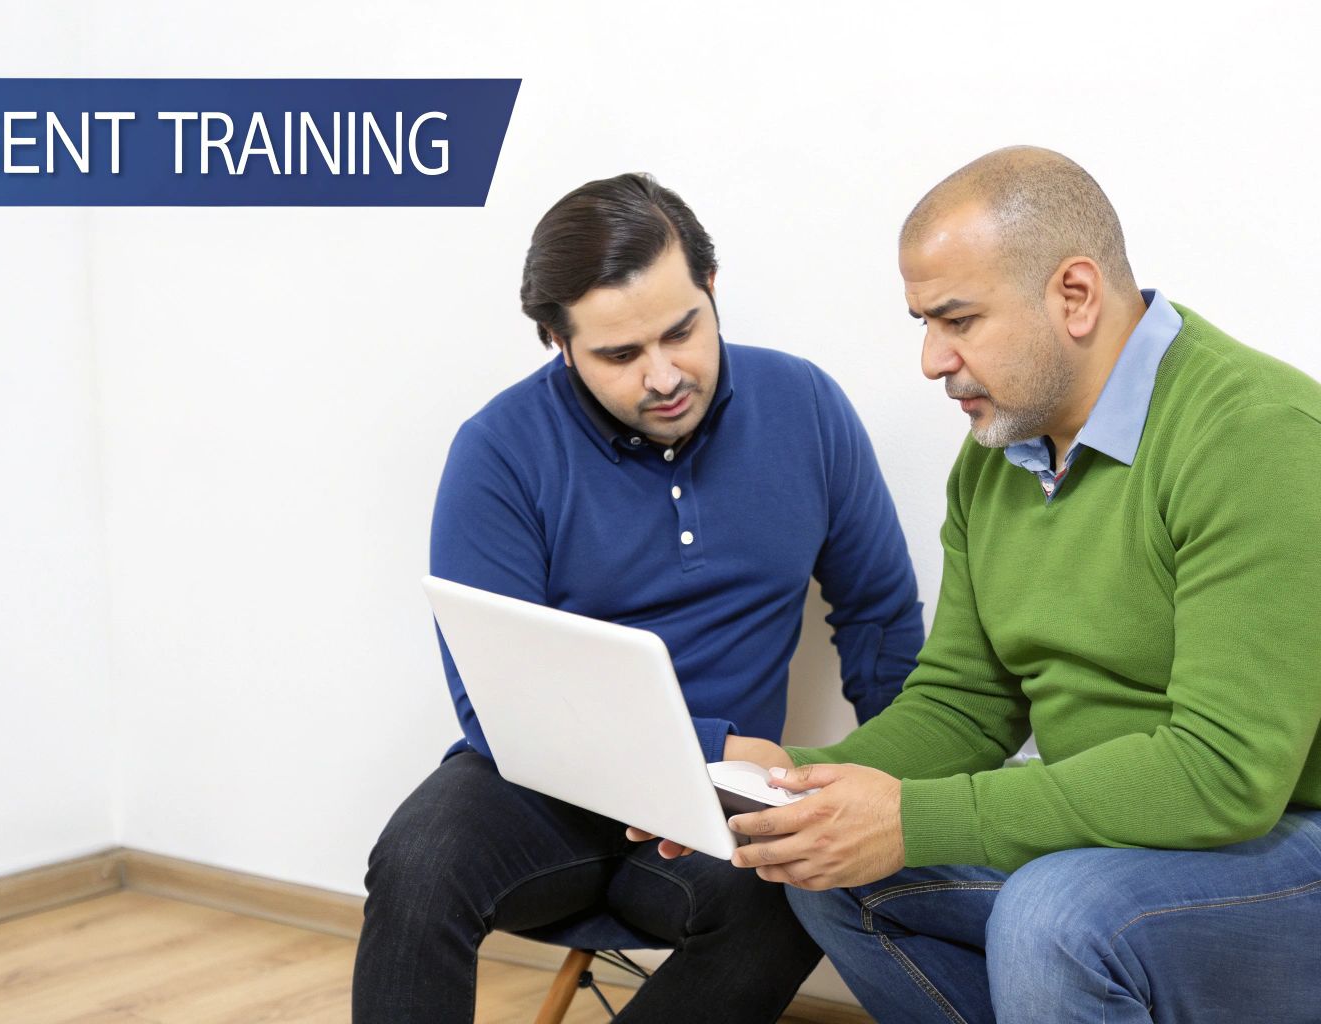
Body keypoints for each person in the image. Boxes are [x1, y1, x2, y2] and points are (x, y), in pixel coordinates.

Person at [704, 147, 1321, 1024]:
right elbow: (964, 706)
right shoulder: (998, 461)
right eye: (924, 324)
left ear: (1076, 295)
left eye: (959, 319)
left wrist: (914, 818)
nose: (933, 360)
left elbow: (1221, 773)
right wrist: (797, 784)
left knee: (1058, 915)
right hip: (1174, 848)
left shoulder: (1262, 438)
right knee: (834, 875)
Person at [350, 172, 926, 1023]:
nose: (664, 377)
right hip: (539, 788)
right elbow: (493, 702)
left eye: (682, 331)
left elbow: (882, 625)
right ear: (558, 342)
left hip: (713, 811)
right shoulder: (498, 451)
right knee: (419, 860)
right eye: (620, 356)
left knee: (794, 894)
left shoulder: (805, 407)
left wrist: (896, 792)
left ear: (711, 290)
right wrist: (716, 740)